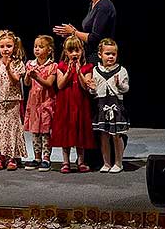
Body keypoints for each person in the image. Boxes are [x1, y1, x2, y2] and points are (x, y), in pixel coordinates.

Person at [50, 36, 95, 173]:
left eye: (77, 50)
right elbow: (60, 84)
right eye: (71, 51)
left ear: (82, 50)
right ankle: (66, 162)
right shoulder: (61, 66)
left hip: (80, 103)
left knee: (80, 130)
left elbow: (85, 86)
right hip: (65, 104)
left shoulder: (88, 67)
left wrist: (79, 71)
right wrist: (69, 71)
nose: (74, 54)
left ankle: (81, 161)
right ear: (66, 52)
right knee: (66, 131)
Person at [53, 0, 116, 65]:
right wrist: (72, 33)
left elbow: (94, 39)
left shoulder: (104, 7)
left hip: (100, 59)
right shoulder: (93, 3)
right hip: (90, 55)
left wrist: (74, 32)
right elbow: (89, 33)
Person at [0, 29, 27, 171]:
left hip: (13, 101)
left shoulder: (18, 63)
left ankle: (12, 157)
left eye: (9, 46)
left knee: (12, 129)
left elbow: (16, 80)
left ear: (14, 47)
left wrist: (9, 66)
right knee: (0, 129)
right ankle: (1, 157)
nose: (5, 49)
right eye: (2, 46)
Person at [88, 38, 129, 173]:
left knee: (116, 135)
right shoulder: (95, 70)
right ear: (100, 55)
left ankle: (118, 162)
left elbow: (125, 88)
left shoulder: (121, 70)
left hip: (115, 106)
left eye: (113, 54)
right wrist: (92, 88)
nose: (111, 56)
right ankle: (106, 162)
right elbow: (93, 90)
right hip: (101, 105)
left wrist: (119, 84)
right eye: (107, 54)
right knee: (104, 135)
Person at [23, 35, 57, 172]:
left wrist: (36, 76)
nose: (37, 49)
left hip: (47, 102)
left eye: (41, 47)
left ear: (49, 50)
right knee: (35, 131)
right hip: (34, 103)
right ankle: (37, 158)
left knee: (45, 132)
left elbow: (49, 83)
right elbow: (26, 83)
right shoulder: (30, 64)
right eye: (35, 46)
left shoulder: (53, 66)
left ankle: (46, 159)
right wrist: (28, 75)